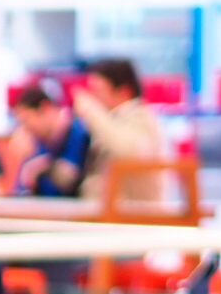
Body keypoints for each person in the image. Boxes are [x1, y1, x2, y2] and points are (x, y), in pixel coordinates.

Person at [72, 57, 164, 199]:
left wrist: (91, 112)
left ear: (124, 92)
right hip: (105, 208)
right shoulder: (110, 121)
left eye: (98, 91)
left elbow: (127, 153)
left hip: (133, 210)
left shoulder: (141, 118)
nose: (93, 98)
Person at [11, 83, 91, 198]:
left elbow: (71, 180)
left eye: (26, 119)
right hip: (42, 207)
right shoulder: (37, 142)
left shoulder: (79, 132)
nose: (26, 128)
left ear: (45, 108)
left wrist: (45, 167)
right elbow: (21, 191)